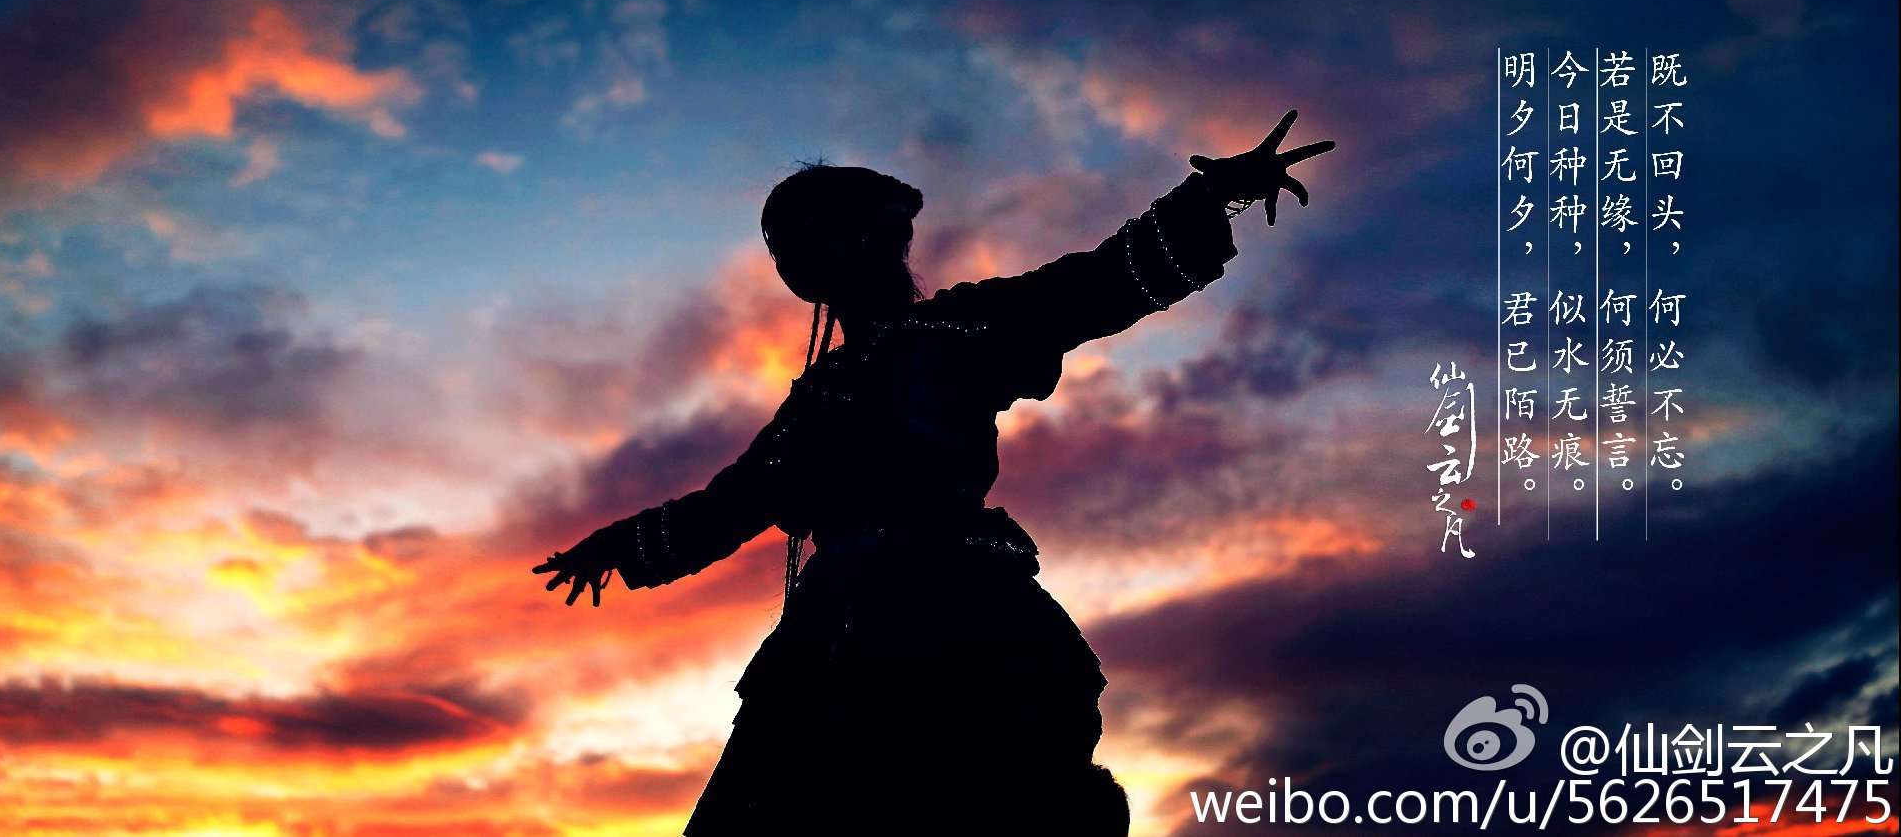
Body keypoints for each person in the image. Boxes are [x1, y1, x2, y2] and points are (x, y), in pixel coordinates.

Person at [533, 111, 1334, 835]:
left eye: (820, 237)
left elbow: (1090, 286)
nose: (812, 259)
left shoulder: (959, 328)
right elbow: (733, 502)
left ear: (867, 244)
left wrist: (1213, 196)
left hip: (961, 613)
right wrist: (619, 546)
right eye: (796, 247)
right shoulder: (816, 400)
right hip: (832, 638)